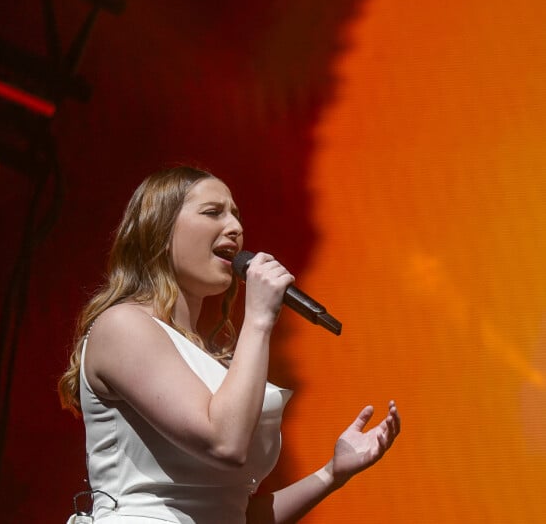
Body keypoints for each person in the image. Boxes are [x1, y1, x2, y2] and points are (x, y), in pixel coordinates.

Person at [58, 166, 400, 523]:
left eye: (236, 215)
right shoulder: (123, 326)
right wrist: (259, 319)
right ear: (159, 230)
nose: (236, 228)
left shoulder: (213, 366)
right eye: (213, 212)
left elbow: (232, 513)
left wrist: (330, 474)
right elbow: (224, 442)